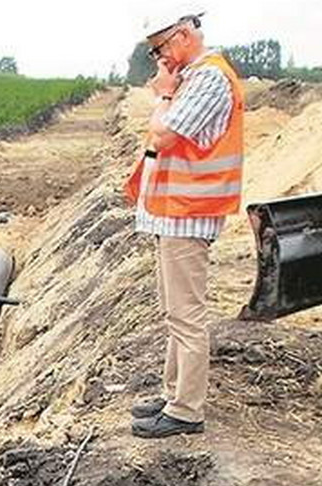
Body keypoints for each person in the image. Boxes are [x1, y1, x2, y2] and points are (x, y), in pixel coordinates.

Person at [123, 10, 244, 439]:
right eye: (155, 50)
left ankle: (187, 410)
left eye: (162, 48)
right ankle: (174, 394)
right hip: (175, 212)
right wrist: (169, 89)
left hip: (189, 214)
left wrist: (163, 94)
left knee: (187, 316)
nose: (161, 58)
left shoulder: (209, 78)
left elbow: (164, 135)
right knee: (174, 312)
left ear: (185, 34)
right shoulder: (192, 76)